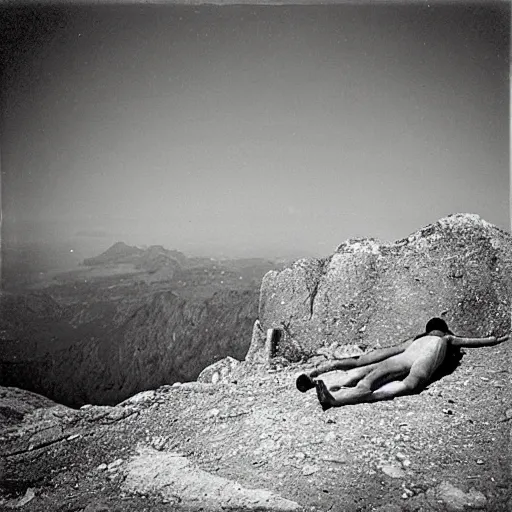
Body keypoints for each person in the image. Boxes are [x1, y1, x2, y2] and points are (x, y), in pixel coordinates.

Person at [295, 318, 509, 410]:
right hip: (423, 363)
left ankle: (332, 393)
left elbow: (380, 355)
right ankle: (336, 398)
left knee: (368, 378)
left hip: (404, 358)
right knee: (404, 386)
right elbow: (473, 341)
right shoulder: (446, 339)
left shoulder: (416, 340)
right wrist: (496, 339)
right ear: (444, 329)